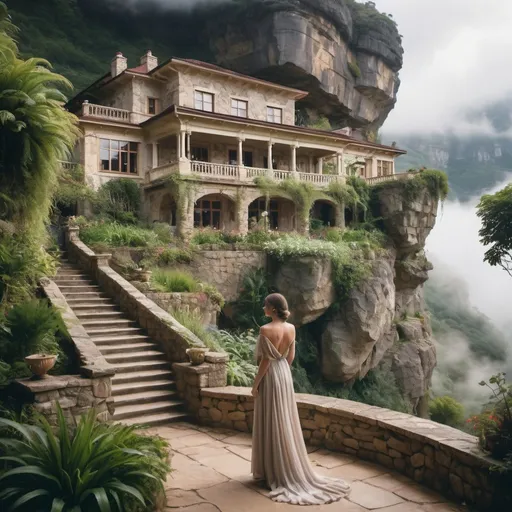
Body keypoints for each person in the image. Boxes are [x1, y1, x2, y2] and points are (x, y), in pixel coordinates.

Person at [251, 293, 351, 505]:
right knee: (283, 418)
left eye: (266, 305)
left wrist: (255, 384)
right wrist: (282, 374)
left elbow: (264, 363)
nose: (263, 308)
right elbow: (290, 357)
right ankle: (282, 467)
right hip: (284, 375)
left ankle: (272, 471)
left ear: (274, 309)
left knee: (271, 419)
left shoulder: (265, 330)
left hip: (270, 375)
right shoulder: (291, 329)